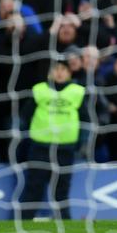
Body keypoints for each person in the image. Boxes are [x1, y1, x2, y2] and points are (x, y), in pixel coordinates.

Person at [19, 58, 87, 219]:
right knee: (33, 187)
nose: (59, 72)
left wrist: (80, 143)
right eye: (56, 69)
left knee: (61, 190)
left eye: (63, 69)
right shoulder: (39, 90)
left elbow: (85, 119)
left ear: (70, 73)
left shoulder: (77, 92)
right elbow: (25, 116)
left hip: (65, 148)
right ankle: (24, 222)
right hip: (40, 147)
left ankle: (64, 222)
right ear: (49, 73)